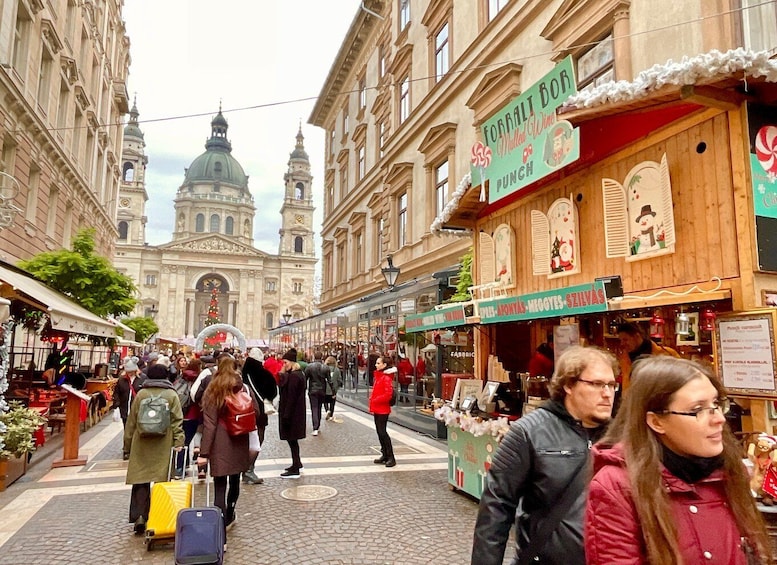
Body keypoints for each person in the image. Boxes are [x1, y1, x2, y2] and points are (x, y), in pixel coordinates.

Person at [585, 356, 771, 564]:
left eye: (716, 404)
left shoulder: (729, 472)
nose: (719, 418)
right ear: (656, 421)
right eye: (697, 410)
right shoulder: (617, 486)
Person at [471, 345, 618, 565]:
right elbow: (496, 510)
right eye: (597, 384)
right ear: (569, 385)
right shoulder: (529, 432)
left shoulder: (620, 436)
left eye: (612, 385)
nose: (607, 393)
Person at [195, 354, 259, 540]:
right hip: (239, 440)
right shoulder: (243, 387)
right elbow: (255, 411)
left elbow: (210, 424)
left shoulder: (213, 389)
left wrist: (204, 453)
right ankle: (231, 510)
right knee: (235, 480)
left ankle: (219, 531)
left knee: (220, 486)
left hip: (220, 443)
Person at [123, 364, 184, 535]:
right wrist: (179, 441)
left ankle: (140, 516)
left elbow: (131, 421)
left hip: (141, 443)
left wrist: (127, 445)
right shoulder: (171, 394)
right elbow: (177, 420)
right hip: (163, 443)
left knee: (141, 479)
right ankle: (159, 516)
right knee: (161, 481)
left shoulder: (142, 394)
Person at [241, 348, 277, 484]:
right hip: (259, 412)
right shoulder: (263, 373)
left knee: (246, 441)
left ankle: (244, 468)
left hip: (244, 412)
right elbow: (272, 391)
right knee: (257, 441)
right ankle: (249, 469)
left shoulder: (243, 372)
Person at [616, 321, 679, 391]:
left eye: (625, 340)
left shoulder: (667, 353)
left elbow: (681, 378)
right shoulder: (623, 358)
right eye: (620, 340)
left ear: (637, 336)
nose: (622, 343)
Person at [278, 348, 306, 478]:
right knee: (292, 441)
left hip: (292, 414)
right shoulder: (295, 374)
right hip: (295, 413)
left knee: (292, 440)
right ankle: (297, 463)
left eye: (285, 362)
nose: (284, 365)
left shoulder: (295, 376)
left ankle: (295, 467)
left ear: (292, 362)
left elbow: (291, 397)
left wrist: (286, 415)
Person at [369, 355, 397, 468]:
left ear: (384, 365)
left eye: (378, 363)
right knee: (379, 432)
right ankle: (385, 455)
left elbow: (388, 394)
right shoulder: (380, 376)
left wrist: (375, 400)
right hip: (378, 407)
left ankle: (391, 457)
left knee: (383, 432)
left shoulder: (386, 378)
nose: (376, 365)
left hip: (382, 408)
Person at [304, 350, 332, 436]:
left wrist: (303, 389)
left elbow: (305, 379)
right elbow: (329, 380)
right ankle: (318, 426)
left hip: (313, 390)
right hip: (322, 390)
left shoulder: (309, 367)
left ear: (314, 357)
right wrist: (333, 391)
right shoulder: (325, 367)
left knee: (314, 408)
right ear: (322, 357)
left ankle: (315, 427)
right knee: (319, 408)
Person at [113, 357, 146, 428]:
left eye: (131, 371)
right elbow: (117, 392)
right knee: (126, 429)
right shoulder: (122, 379)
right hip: (124, 409)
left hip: (138, 410)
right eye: (128, 371)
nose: (129, 373)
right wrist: (117, 404)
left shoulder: (142, 378)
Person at [324, 355, 342, 422]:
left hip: (325, 388)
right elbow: (339, 380)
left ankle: (327, 410)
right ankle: (331, 415)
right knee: (332, 402)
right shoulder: (337, 370)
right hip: (333, 389)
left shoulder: (324, 368)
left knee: (325, 401)